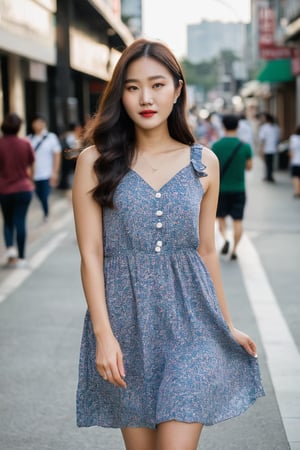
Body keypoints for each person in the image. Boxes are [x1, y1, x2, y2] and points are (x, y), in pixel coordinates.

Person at [72, 39, 264, 450]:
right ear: (119, 94)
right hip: (126, 327)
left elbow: (206, 251)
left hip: (193, 325)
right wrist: (105, 336)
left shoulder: (204, 162)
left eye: (157, 85)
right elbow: (90, 255)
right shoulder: (95, 161)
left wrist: (224, 324)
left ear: (177, 90)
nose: (146, 97)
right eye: (133, 86)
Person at [212, 114, 253, 260]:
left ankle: (225, 239)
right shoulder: (245, 146)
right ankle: (234, 250)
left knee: (220, 218)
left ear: (223, 126)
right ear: (238, 126)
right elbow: (249, 167)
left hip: (220, 190)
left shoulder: (216, 146)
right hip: (239, 189)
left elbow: (212, 168)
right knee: (238, 221)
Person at [0, 113, 35, 268]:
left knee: (7, 221)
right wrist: (30, 180)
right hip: (23, 187)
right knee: (20, 221)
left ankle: (10, 249)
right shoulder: (25, 143)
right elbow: (31, 163)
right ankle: (21, 257)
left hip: (4, 189)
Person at [27, 114, 62, 221]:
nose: (38, 124)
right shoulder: (29, 139)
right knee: (38, 194)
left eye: (40, 122)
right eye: (36, 122)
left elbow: (57, 155)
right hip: (34, 174)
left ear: (44, 123)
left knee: (45, 194)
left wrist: (55, 172)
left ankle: (46, 213)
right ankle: (45, 210)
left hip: (47, 173)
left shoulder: (51, 138)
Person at [258, 112, 280, 182]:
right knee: (270, 163)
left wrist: (261, 149)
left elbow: (262, 139)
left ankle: (268, 176)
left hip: (267, 148)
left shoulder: (264, 127)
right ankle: (269, 176)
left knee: (267, 163)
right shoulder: (276, 127)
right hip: (273, 148)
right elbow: (278, 138)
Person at [288, 125, 300, 198]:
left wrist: (290, 160)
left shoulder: (293, 138)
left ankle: (297, 191)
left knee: (295, 177)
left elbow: (291, 151)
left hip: (295, 161)